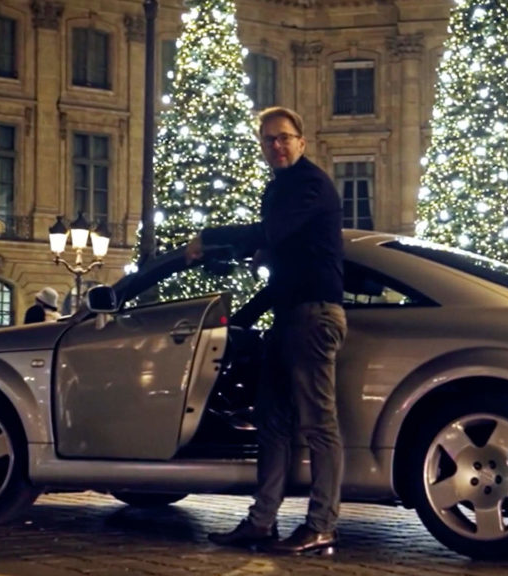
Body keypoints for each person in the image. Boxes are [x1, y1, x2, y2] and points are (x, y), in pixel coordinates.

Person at [191, 106, 347, 555]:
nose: (277, 145)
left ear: (301, 142)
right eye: (269, 139)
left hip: (314, 316)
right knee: (273, 422)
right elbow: (282, 262)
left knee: (319, 424)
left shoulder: (309, 184)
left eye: (284, 137)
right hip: (289, 315)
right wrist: (240, 317)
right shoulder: (280, 188)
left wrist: (208, 237)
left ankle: (322, 526)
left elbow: (273, 232)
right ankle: (261, 523)